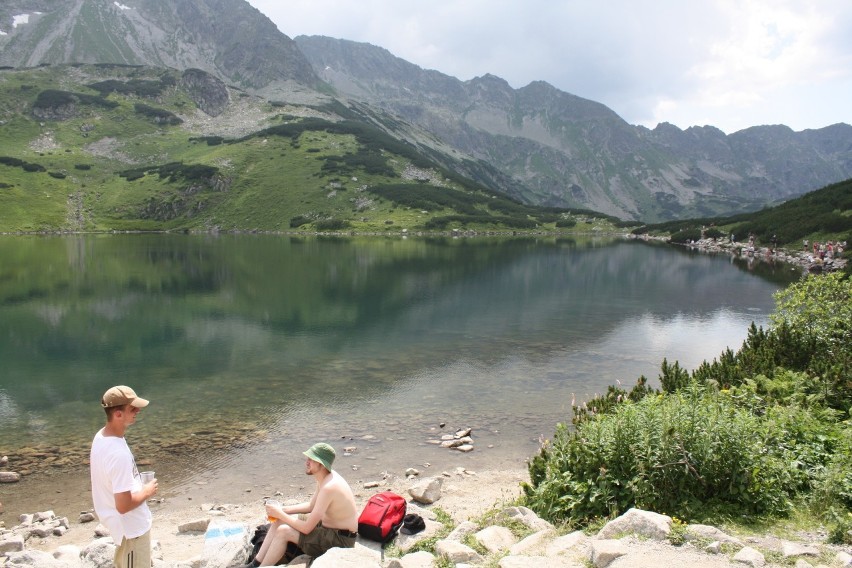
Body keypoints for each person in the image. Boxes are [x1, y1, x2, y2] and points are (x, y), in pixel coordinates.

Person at [243, 443, 358, 567]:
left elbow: (307, 528)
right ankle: (255, 563)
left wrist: (280, 513)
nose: (307, 462)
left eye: (311, 460)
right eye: (307, 458)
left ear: (322, 464)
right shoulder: (326, 477)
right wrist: (282, 510)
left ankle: (262, 567)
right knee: (279, 520)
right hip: (330, 529)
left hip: (339, 539)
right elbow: (311, 506)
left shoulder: (329, 487)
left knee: (284, 531)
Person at [90, 386, 158, 568]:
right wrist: (147, 491)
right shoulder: (117, 453)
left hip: (126, 530)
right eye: (132, 408)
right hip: (131, 531)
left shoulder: (101, 437)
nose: (138, 411)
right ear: (118, 414)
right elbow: (123, 505)